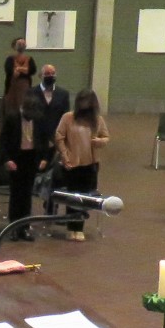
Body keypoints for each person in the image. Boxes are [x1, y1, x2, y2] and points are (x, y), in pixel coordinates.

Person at [3, 65, 65, 225]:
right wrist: (7, 159)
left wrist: (44, 157)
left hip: (31, 158)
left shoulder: (37, 119)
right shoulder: (12, 119)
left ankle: (25, 225)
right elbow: (3, 141)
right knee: (16, 194)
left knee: (27, 193)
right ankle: (13, 226)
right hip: (17, 158)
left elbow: (42, 140)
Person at [54, 90, 110, 240]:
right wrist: (64, 156)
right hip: (72, 164)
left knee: (84, 197)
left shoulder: (97, 120)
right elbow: (59, 136)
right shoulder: (68, 118)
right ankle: (70, 227)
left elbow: (106, 136)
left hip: (90, 164)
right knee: (72, 196)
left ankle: (79, 227)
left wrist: (99, 141)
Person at [3, 38, 36, 125]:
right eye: (19, 43)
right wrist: (24, 70)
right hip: (12, 89)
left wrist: (18, 69)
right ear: (14, 46)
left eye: (23, 43)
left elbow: (32, 70)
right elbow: (9, 70)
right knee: (11, 110)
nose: (21, 45)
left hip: (25, 88)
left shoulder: (29, 59)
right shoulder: (10, 59)